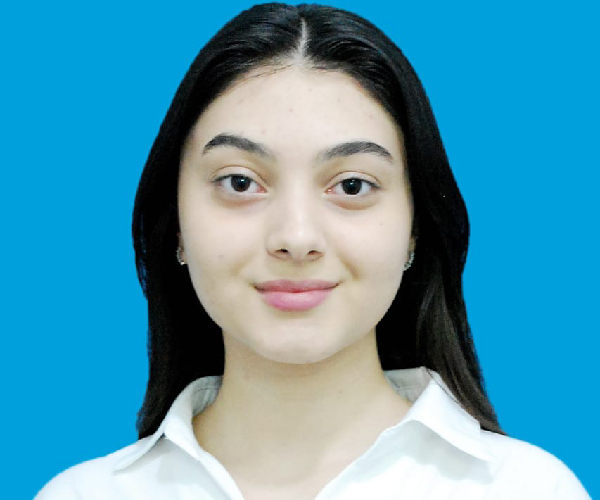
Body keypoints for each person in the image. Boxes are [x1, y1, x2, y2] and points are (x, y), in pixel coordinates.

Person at [36, 3, 590, 499]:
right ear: (176, 224)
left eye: (351, 185)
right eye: (239, 182)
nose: (297, 238)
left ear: (415, 229)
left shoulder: (530, 490)